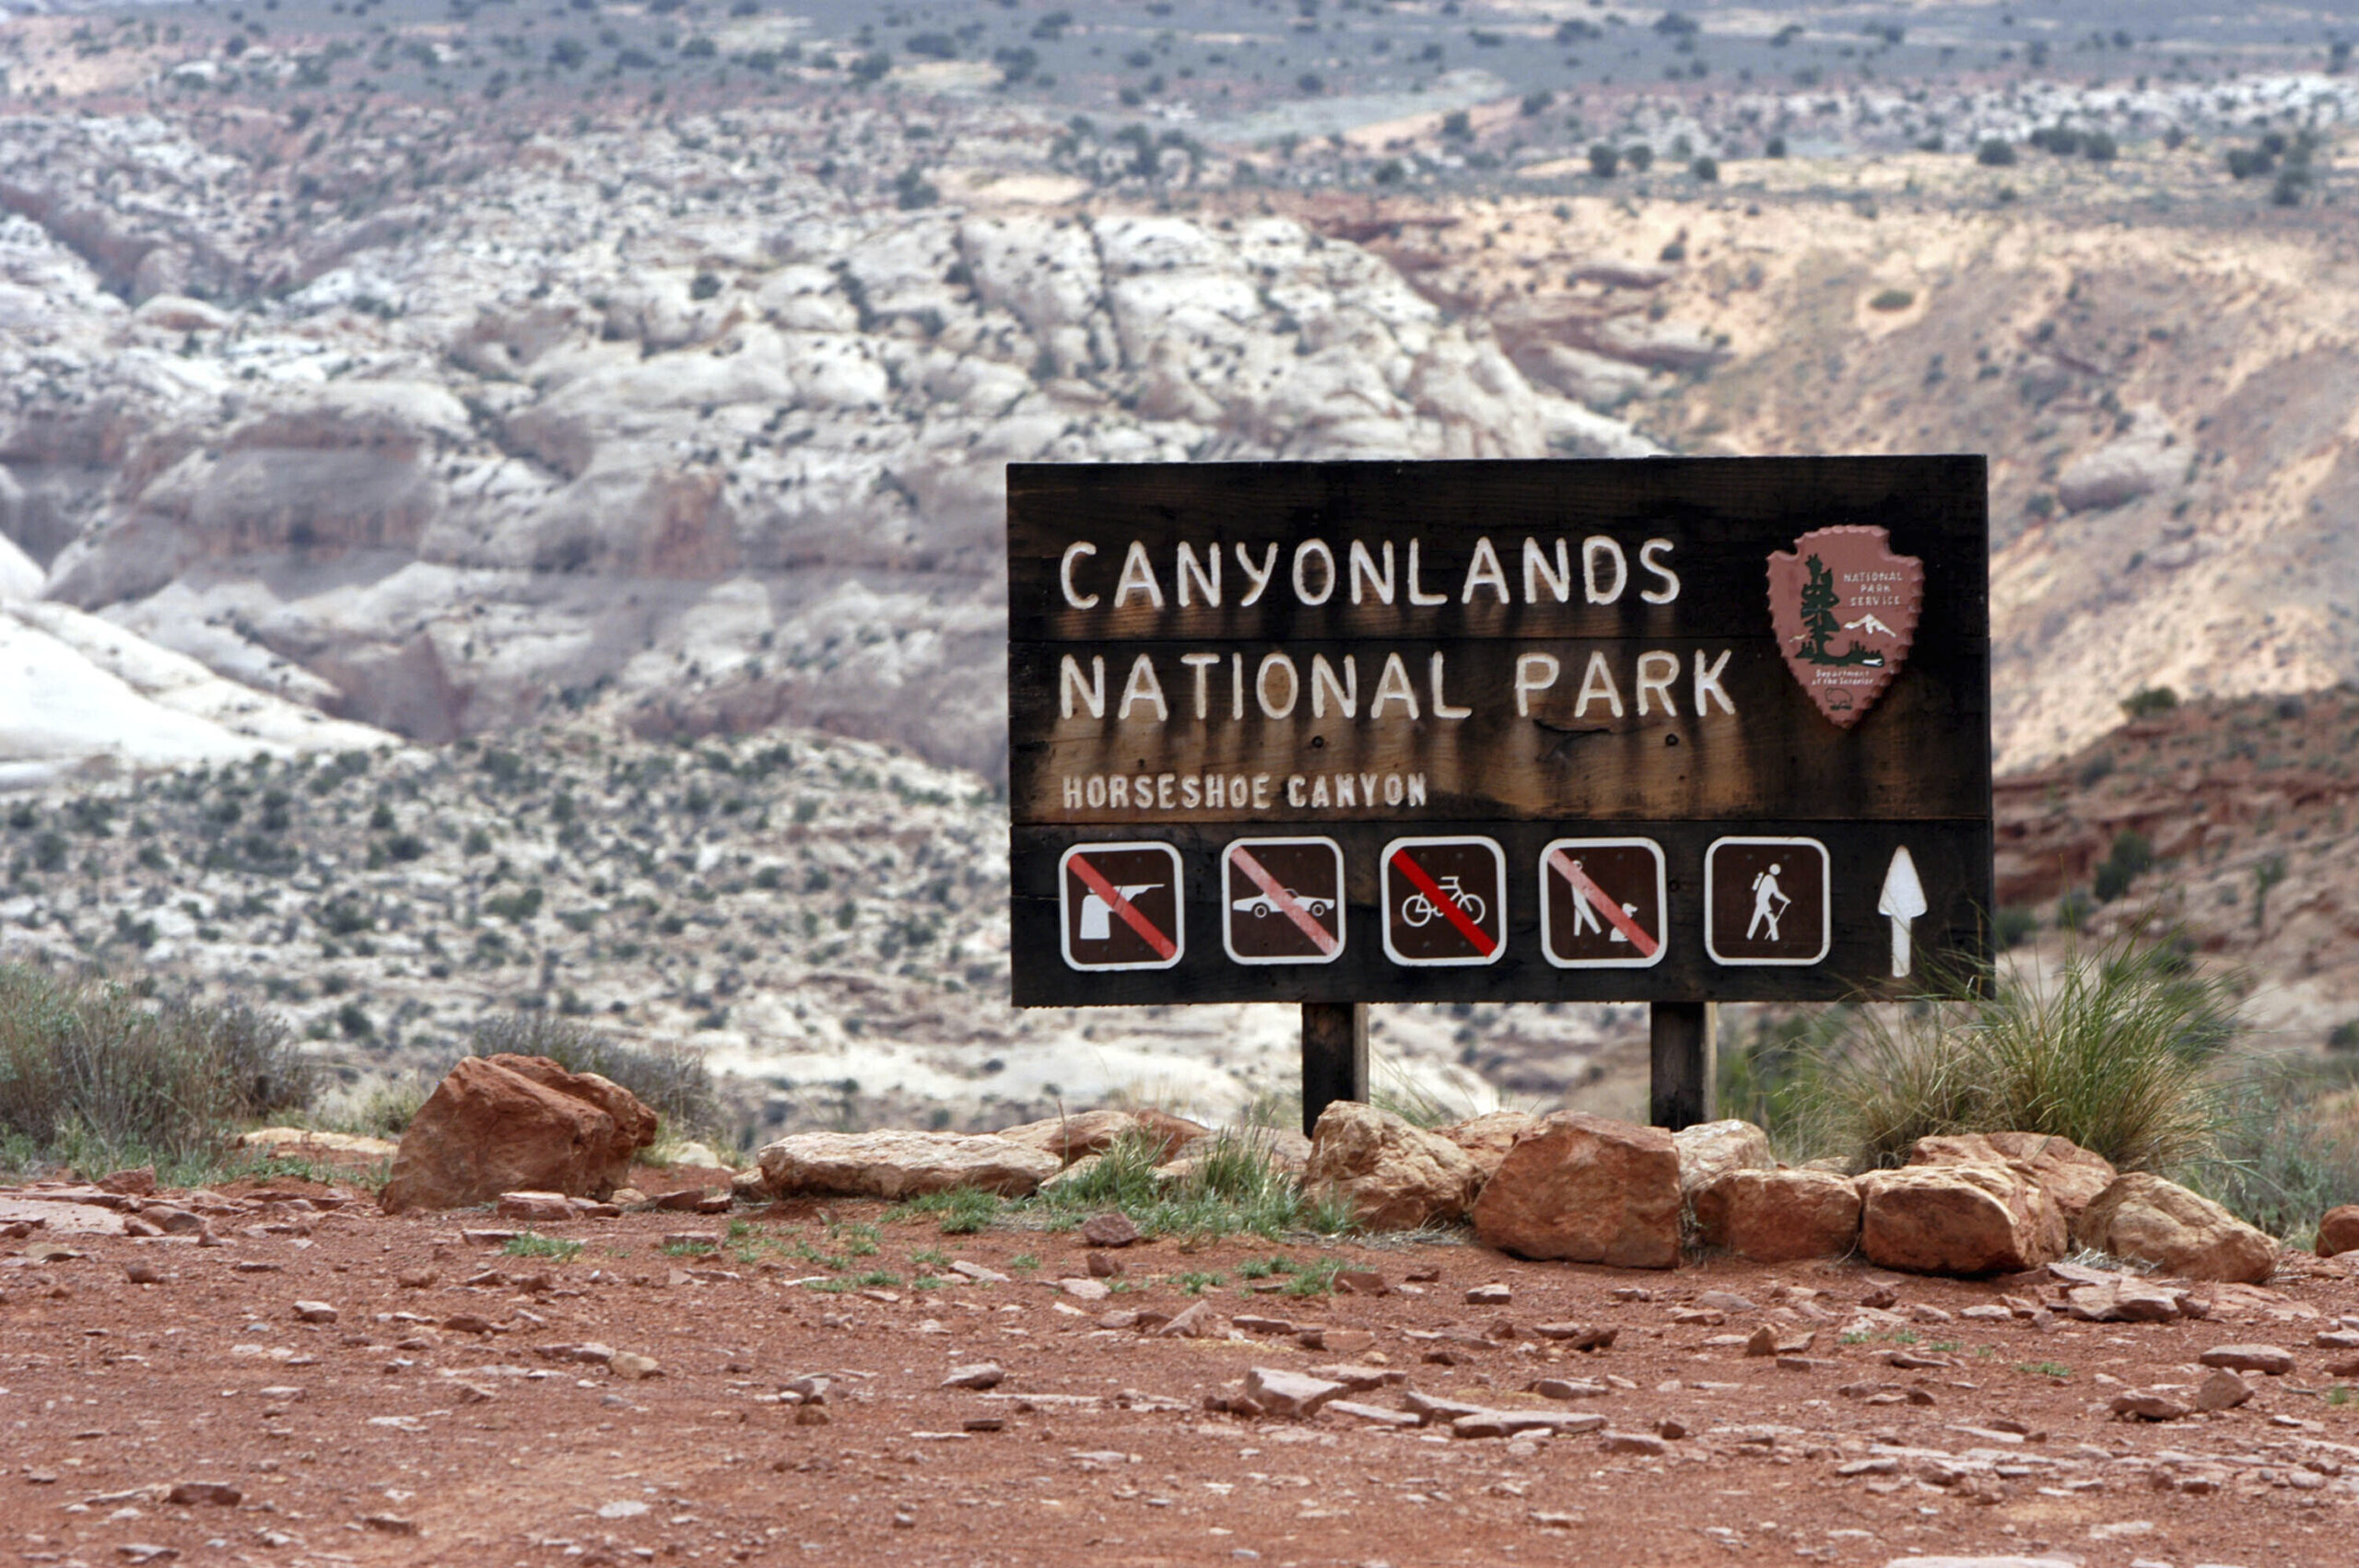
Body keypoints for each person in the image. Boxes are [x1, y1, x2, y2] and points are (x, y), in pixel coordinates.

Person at [1747, 862, 1790, 942]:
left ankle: (1749, 936)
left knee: (1757, 918)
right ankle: (1775, 939)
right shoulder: (1771, 879)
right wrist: (1786, 900)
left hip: (1760, 900)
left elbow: (1754, 888)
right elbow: (1776, 894)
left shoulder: (1765, 877)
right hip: (1763, 901)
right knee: (1771, 919)